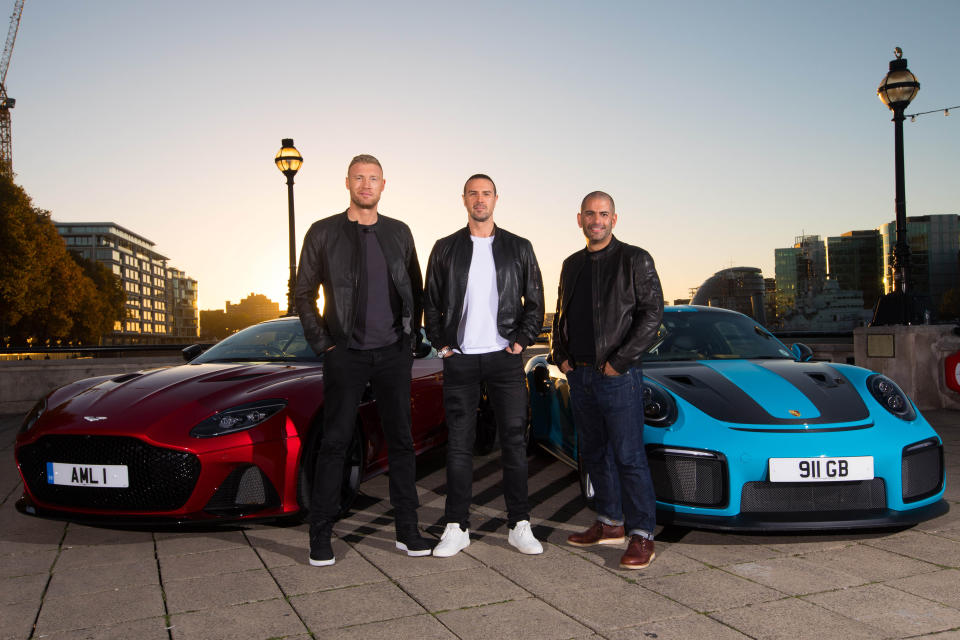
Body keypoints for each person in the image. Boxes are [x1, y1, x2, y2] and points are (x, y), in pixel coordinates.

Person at [295, 154, 433, 566]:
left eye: (373, 178)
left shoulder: (399, 233)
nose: (366, 185)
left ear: (383, 184)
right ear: (347, 183)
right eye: (359, 178)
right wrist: (326, 344)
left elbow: (415, 289)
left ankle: (407, 532)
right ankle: (320, 536)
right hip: (345, 354)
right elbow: (303, 294)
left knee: (403, 443)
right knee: (334, 443)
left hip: (392, 354)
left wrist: (408, 341)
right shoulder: (323, 233)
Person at [424, 173, 545, 557]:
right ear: (464, 199)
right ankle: (456, 527)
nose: (480, 199)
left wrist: (521, 341)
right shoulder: (444, 249)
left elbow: (536, 303)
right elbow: (430, 303)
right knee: (459, 444)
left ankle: (519, 524)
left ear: (496, 199)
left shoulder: (519, 247)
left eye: (486, 193)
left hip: (504, 358)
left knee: (513, 442)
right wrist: (442, 346)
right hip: (460, 359)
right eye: (473, 193)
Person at [551, 191, 664, 569]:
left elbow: (652, 315)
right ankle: (610, 522)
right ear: (579, 219)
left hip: (618, 377)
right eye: (589, 214)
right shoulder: (570, 265)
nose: (596, 220)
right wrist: (561, 357)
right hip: (580, 375)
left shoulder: (635, 259)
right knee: (594, 454)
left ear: (614, 219)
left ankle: (642, 534)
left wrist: (620, 362)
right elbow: (561, 316)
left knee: (629, 456)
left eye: (603, 214)